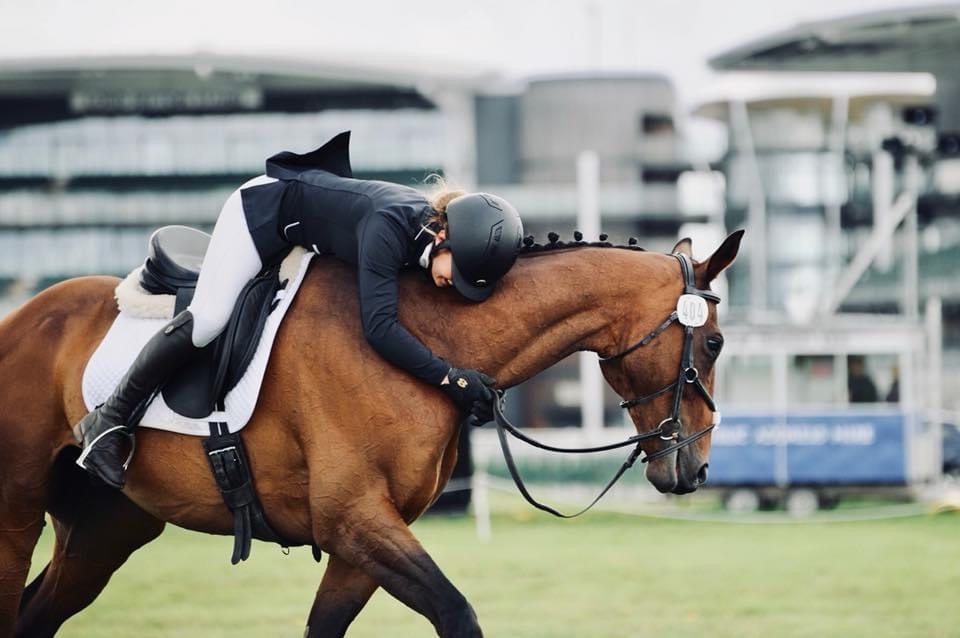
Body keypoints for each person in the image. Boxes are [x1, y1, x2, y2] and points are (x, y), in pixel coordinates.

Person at [76, 131, 524, 489]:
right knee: (210, 319)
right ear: (444, 236)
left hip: (307, 234)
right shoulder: (389, 227)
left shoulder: (425, 237)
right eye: (457, 271)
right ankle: (108, 421)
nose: (454, 283)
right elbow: (380, 328)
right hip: (261, 214)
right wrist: (449, 377)